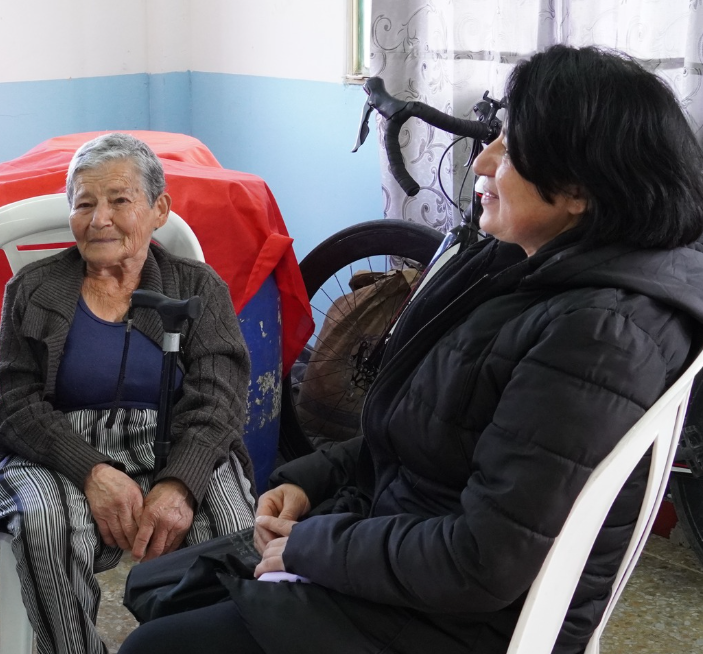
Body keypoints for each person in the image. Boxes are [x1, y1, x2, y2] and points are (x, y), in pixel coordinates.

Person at [119, 45, 703, 654]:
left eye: (510, 148)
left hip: (460, 619)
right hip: (411, 548)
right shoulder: (526, 271)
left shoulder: (598, 335)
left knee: (158, 640)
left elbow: (482, 561)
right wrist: (315, 481)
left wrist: (311, 546)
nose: (482, 162)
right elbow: (429, 431)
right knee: (159, 584)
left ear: (579, 189)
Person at [0, 132, 258, 654]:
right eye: (84, 203)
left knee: (228, 518)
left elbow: (219, 403)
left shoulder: (197, 288)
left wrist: (179, 484)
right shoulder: (35, 289)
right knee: (44, 516)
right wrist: (91, 470)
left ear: (158, 210)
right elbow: (17, 405)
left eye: (119, 200)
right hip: (57, 452)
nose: (99, 217)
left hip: (172, 443)